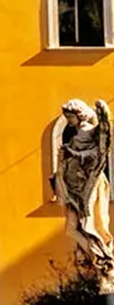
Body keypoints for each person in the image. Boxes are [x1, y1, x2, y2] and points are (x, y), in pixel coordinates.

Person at [55, 99, 114, 288]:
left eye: (70, 116)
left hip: (89, 186)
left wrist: (73, 153)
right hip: (74, 188)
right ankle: (98, 257)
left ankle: (102, 260)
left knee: (89, 224)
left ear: (79, 115)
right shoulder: (76, 135)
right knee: (71, 228)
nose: (68, 120)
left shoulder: (91, 132)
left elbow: (97, 154)